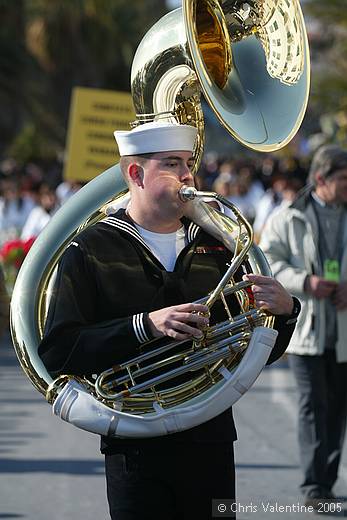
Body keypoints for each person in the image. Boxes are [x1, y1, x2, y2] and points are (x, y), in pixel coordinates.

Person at [38, 121, 300, 520]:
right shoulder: (90, 248)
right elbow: (59, 351)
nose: (187, 175)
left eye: (189, 163)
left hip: (210, 438)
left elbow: (254, 350)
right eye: (172, 164)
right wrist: (145, 325)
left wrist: (285, 314)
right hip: (134, 445)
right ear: (135, 174)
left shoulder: (218, 245)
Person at [260, 144, 347, 508]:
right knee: (313, 405)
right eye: (343, 179)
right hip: (306, 331)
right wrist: (305, 282)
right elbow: (267, 262)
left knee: (338, 408)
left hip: (342, 334)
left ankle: (326, 480)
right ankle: (314, 487)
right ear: (321, 179)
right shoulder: (287, 216)